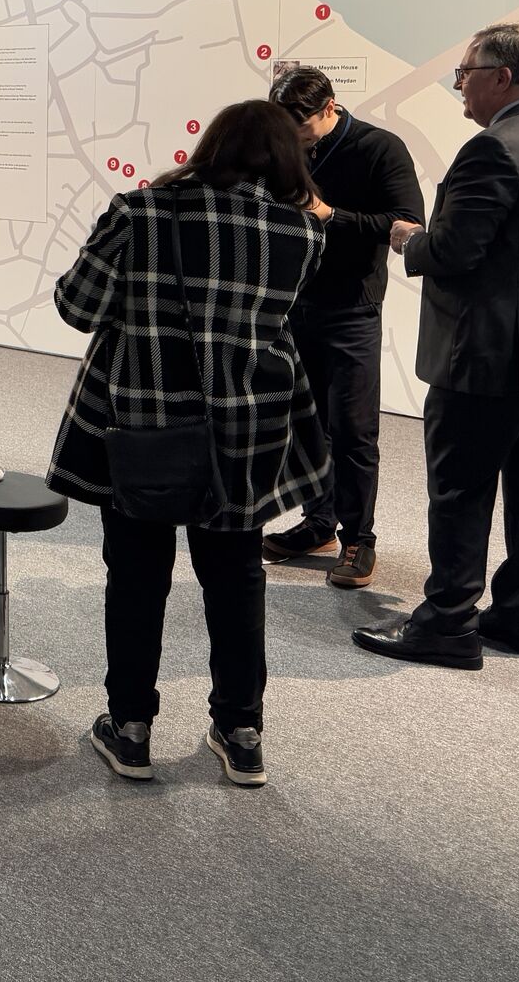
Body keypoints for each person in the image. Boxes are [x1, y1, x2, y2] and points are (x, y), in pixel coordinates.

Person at [50, 100, 328, 789]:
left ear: (212, 146)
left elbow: (77, 306)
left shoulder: (139, 212)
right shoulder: (302, 232)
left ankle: (132, 728)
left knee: (138, 576)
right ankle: (242, 734)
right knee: (236, 579)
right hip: (249, 429)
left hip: (144, 420)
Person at [355, 23, 519, 670]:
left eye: (465, 72)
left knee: (462, 488)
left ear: (502, 76)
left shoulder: (492, 151)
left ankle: (446, 624)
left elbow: (453, 254)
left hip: (489, 354)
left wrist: (408, 239)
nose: (458, 84)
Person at [259, 67, 423, 588]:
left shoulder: (381, 148)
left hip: (351, 308)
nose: (291, 137)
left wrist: (331, 214)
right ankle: (318, 523)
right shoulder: (285, 146)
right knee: (305, 424)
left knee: (353, 431)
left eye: (299, 125)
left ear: (330, 106)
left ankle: (359, 539)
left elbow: (406, 224)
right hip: (291, 304)